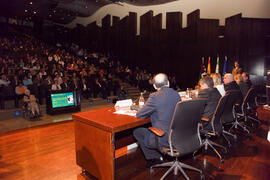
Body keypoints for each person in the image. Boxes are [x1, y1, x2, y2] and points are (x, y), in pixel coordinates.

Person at [132, 73, 181, 167]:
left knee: (137, 132)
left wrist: (139, 109)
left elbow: (140, 115)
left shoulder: (154, 96)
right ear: (168, 83)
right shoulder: (176, 94)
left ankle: (155, 157)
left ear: (154, 86)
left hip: (164, 138)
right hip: (178, 135)